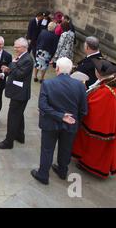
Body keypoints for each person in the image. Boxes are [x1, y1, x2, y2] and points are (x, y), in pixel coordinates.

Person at [30, 57, 88, 185]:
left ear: (57, 69)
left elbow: (43, 106)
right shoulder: (80, 85)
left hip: (50, 123)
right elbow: (84, 110)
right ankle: (62, 171)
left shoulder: (48, 83)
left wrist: (60, 116)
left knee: (47, 149)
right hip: (71, 124)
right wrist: (75, 122)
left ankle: (43, 174)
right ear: (71, 70)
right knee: (66, 149)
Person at [72, 59, 116, 179]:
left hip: (100, 126)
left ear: (98, 73)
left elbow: (90, 104)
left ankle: (89, 165)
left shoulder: (106, 91)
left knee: (94, 148)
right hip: (112, 123)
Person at [0, 37, 34, 149]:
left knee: (13, 117)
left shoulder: (27, 59)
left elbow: (19, 74)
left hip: (20, 94)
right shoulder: (22, 57)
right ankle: (19, 136)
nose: (14, 48)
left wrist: (11, 65)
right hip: (18, 92)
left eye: (17, 47)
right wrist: (8, 69)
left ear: (24, 47)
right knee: (19, 115)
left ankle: (8, 142)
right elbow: (17, 71)